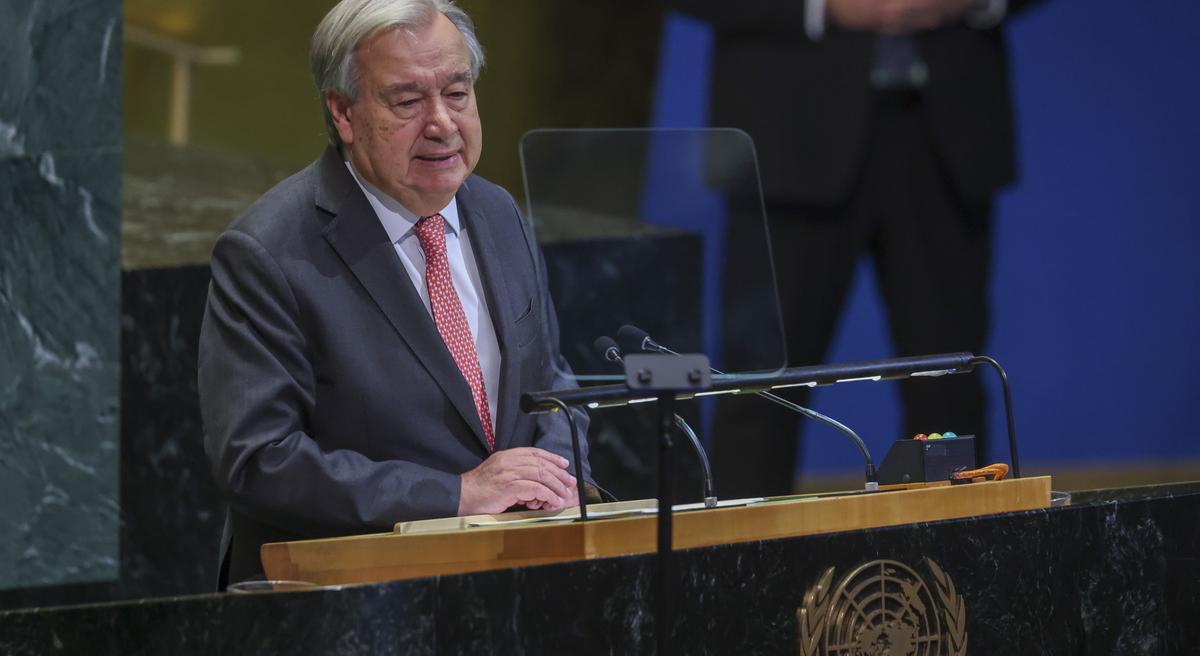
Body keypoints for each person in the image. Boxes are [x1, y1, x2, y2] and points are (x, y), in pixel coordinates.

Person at [198, 0, 596, 586]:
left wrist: (556, 478)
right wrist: (456, 494)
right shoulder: (269, 252)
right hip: (340, 600)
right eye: (407, 101)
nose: (441, 122)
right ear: (344, 113)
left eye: (457, 94)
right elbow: (259, 460)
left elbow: (553, 383)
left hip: (511, 583)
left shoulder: (497, 210)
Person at [669, 0, 1043, 497]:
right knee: (761, 395)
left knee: (950, 394)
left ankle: (955, 571)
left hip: (946, 138)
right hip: (788, 133)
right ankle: (741, 570)